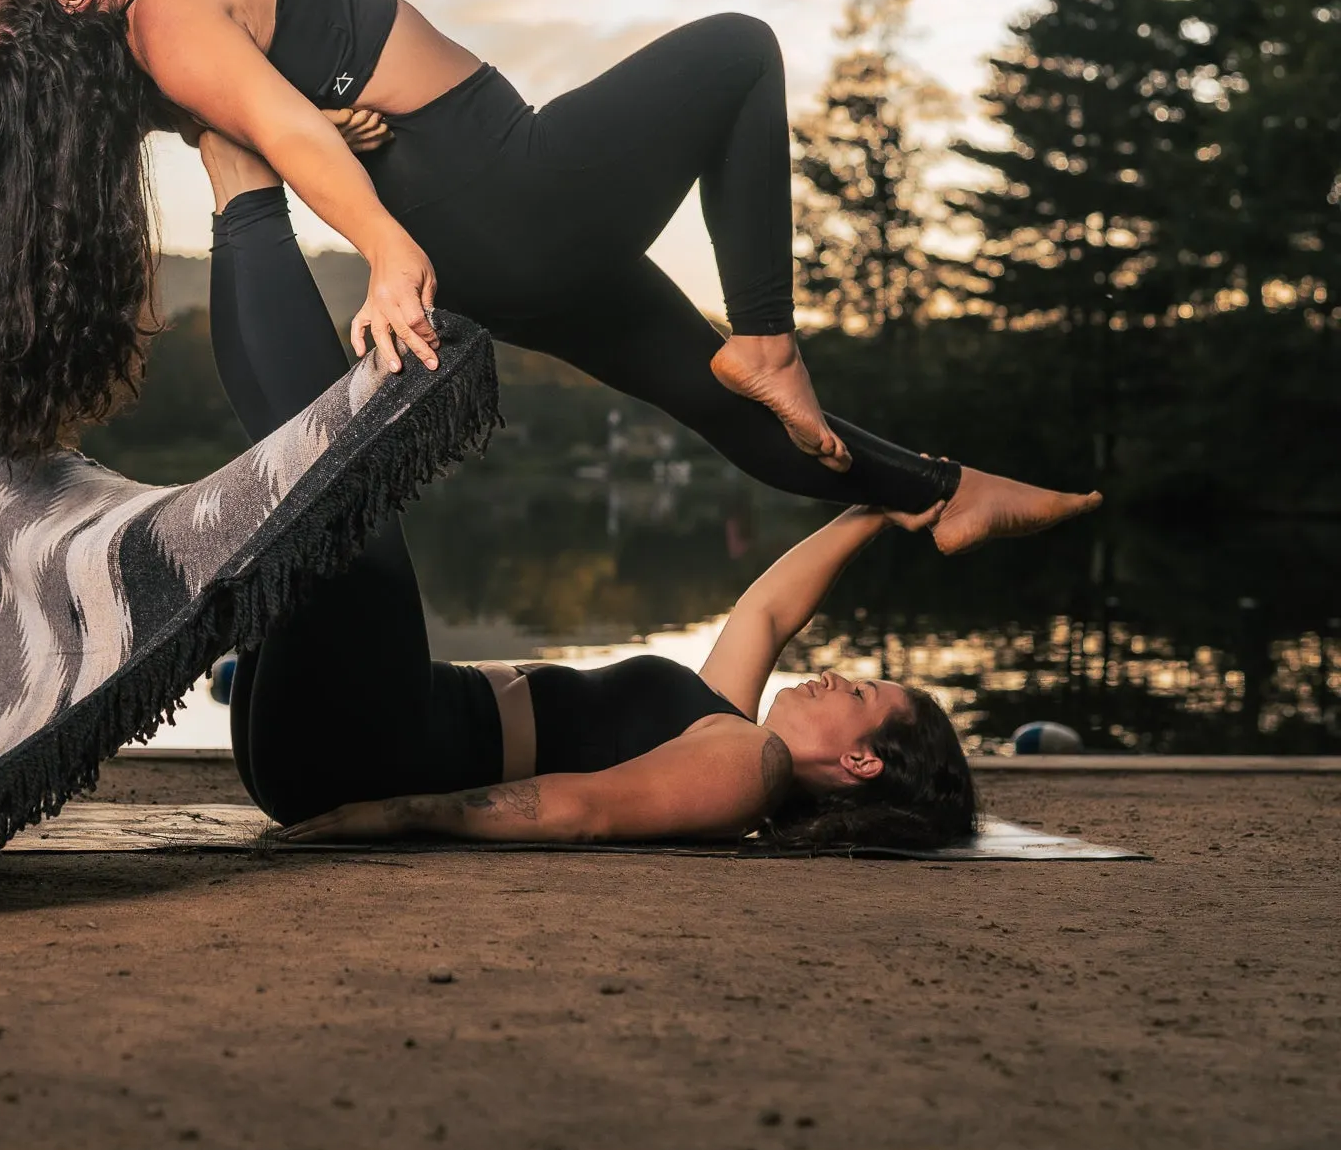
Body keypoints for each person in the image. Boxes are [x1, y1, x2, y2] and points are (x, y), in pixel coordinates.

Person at [0, 0, 1098, 552]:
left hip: (506, 234)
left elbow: (54, 171)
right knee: (737, 55)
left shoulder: (160, 42)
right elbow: (294, 146)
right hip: (508, 189)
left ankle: (947, 494)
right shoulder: (175, 19)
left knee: (729, 415)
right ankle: (769, 337)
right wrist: (393, 258)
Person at [196, 130, 975, 849]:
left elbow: (584, 810)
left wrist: (395, 815)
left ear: (863, 762)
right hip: (339, 739)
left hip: (372, 749)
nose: (840, 677)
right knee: (298, 474)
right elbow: (769, 610)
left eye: (867, 694)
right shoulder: (720, 723)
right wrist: (883, 502)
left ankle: (244, 179)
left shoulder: (752, 767)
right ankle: (236, 175)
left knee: (341, 479)